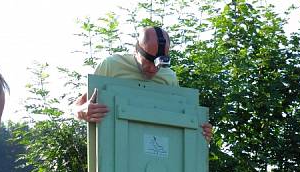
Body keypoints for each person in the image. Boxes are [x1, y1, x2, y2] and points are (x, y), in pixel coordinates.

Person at [75, 26, 212, 141]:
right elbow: (78, 105)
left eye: (159, 64)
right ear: (136, 49)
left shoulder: (169, 78)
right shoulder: (112, 66)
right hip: (114, 151)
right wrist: (82, 111)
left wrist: (201, 130)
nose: (153, 69)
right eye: (148, 61)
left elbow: (179, 121)